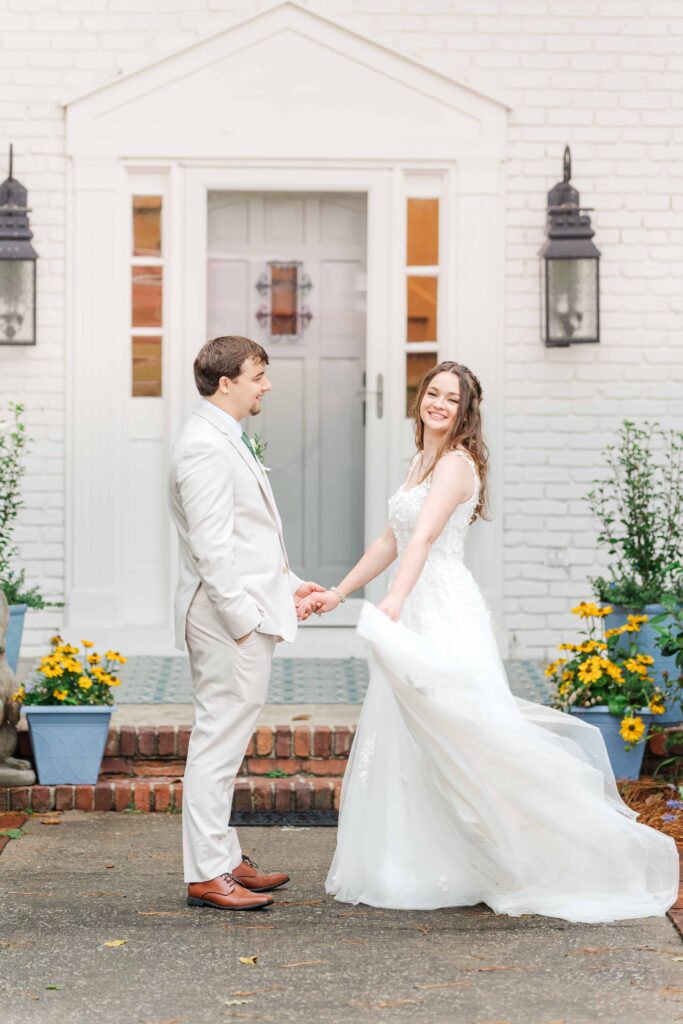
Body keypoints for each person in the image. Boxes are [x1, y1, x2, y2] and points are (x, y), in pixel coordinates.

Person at [297, 360, 679, 922]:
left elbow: (425, 538)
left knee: (468, 729)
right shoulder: (420, 461)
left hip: (442, 607)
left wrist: (395, 599)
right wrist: (338, 592)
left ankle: (533, 852)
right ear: (419, 399)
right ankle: (416, 860)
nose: (439, 404)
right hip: (418, 598)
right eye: (433, 393)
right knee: (412, 729)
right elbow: (391, 540)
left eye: (452, 399)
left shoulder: (456, 463)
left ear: (466, 412)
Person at [168, 336, 324, 911]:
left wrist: (288, 584)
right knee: (217, 743)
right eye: (259, 376)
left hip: (239, 610)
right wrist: (242, 622)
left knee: (226, 742)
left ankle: (224, 857)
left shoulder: (224, 437)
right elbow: (211, 549)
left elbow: (247, 539)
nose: (268, 385)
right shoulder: (203, 447)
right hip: (224, 618)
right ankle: (208, 874)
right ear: (226, 382)